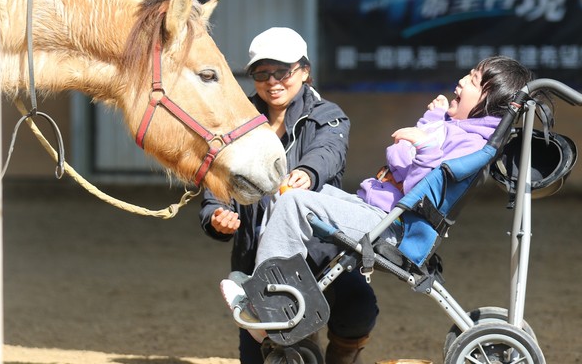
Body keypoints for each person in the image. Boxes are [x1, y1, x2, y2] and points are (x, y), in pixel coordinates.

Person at [220, 55, 541, 340]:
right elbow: (403, 158)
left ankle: (264, 303)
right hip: (379, 209)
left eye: (472, 80)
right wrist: (429, 127)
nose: (460, 81)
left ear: (490, 100)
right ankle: (282, 294)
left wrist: (422, 146)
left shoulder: (470, 143)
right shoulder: (456, 130)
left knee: (293, 202)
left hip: (393, 226)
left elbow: (419, 184)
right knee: (296, 192)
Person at [199, 27, 377, 364]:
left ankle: (341, 355)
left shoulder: (328, 115)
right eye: (262, 73)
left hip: (324, 256)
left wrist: (308, 173)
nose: (273, 81)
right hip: (256, 260)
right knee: (263, 354)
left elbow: (329, 152)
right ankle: (286, 334)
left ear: (304, 71)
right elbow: (217, 182)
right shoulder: (235, 124)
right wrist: (216, 215)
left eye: (283, 71)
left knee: (359, 307)